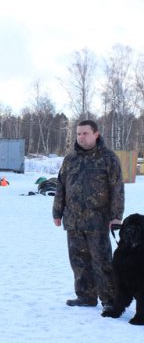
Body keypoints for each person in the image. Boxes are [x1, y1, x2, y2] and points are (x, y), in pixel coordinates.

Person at [53, 120, 124, 312]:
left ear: (96, 134)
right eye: (78, 134)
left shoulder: (108, 158)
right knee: (78, 261)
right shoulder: (70, 158)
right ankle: (85, 296)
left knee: (102, 262)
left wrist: (117, 216)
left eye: (85, 133)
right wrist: (57, 211)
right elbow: (61, 185)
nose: (81, 137)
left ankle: (109, 299)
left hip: (98, 221)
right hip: (73, 219)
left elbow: (117, 188)